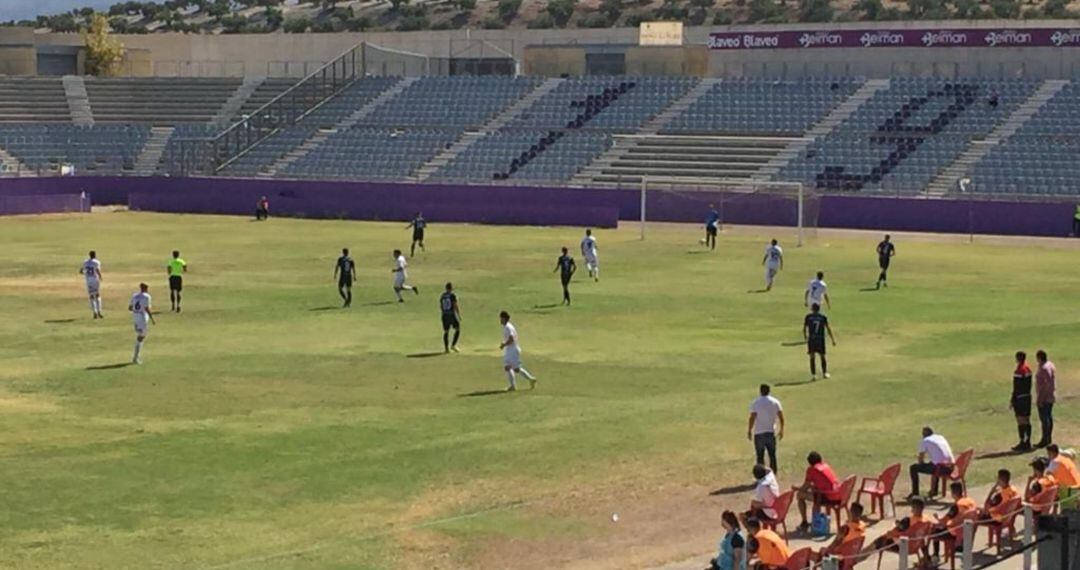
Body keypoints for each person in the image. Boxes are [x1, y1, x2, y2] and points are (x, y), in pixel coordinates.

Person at [863, 497, 929, 558]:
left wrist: (890, 532)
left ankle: (860, 556)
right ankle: (927, 559)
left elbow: (894, 532)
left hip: (904, 547)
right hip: (915, 546)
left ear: (913, 508)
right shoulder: (926, 520)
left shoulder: (908, 520)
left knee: (879, 541)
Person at [794, 451, 841, 532]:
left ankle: (804, 522)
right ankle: (822, 520)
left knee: (799, 495)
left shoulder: (812, 469)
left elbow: (804, 487)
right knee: (816, 495)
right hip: (837, 494)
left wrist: (796, 488)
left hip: (827, 496)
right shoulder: (826, 466)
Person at [931, 482, 976, 557]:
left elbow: (943, 521)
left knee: (934, 531)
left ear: (955, 492)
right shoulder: (971, 501)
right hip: (969, 530)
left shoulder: (957, 506)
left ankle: (935, 555)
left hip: (956, 531)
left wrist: (937, 518)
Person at [908, 426, 955, 499]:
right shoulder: (940, 437)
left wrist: (922, 462)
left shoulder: (925, 441)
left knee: (913, 468)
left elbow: (920, 460)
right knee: (934, 463)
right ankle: (934, 491)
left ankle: (915, 493)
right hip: (950, 466)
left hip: (940, 468)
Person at [748, 384, 784, 474]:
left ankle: (761, 475)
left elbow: (752, 417)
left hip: (759, 432)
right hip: (771, 432)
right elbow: (781, 417)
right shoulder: (775, 402)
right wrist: (781, 430)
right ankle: (773, 473)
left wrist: (749, 430)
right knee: (772, 455)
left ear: (760, 391)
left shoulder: (756, 402)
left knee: (760, 455)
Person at [499, 310, 536, 391]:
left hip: (512, 350)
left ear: (504, 318)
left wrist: (504, 344)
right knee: (515, 368)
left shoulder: (508, 327)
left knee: (508, 367)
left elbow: (512, 338)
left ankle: (513, 386)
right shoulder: (508, 326)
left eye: (501, 318)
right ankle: (530, 379)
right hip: (512, 349)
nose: (500, 320)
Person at [803, 303, 836, 381]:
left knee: (812, 356)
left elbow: (804, 328)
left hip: (812, 339)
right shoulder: (822, 317)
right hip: (820, 339)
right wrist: (832, 339)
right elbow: (828, 328)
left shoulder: (808, 317)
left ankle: (813, 375)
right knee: (822, 356)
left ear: (812, 309)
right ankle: (825, 373)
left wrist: (805, 337)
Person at [1010, 351, 1034, 451]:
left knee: (1020, 420)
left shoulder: (1019, 371)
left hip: (1020, 398)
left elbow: (1016, 386)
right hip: (1027, 396)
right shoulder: (1028, 369)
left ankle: (1022, 441)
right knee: (1027, 419)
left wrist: (1013, 399)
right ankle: (1028, 441)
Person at [128, 283, 155, 364]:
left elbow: (129, 308)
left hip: (135, 316)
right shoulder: (147, 296)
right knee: (141, 337)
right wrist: (152, 318)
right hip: (142, 318)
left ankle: (136, 356)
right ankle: (135, 357)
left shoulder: (134, 295)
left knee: (140, 336)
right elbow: (147, 308)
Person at [1035, 350, 1057, 448]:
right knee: (1048, 417)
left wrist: (1040, 398)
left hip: (1045, 397)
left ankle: (1045, 439)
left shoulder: (1044, 368)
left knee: (1044, 419)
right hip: (1050, 395)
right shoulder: (1050, 365)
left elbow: (1045, 385)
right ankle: (1048, 438)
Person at [80, 250, 103, 319]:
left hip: (88, 280)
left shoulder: (85, 262)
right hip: (95, 280)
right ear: (95, 255)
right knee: (97, 295)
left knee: (91, 296)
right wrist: (100, 277)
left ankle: (94, 312)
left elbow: (81, 271)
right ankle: (99, 311)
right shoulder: (97, 262)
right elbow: (97, 270)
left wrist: (86, 274)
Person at [440, 282, 461, 353]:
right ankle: (453, 345)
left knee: (446, 331)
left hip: (444, 315)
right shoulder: (452, 295)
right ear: (451, 288)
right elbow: (455, 305)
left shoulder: (442, 296)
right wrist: (458, 314)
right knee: (457, 329)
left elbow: (441, 306)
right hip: (451, 314)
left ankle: (446, 348)